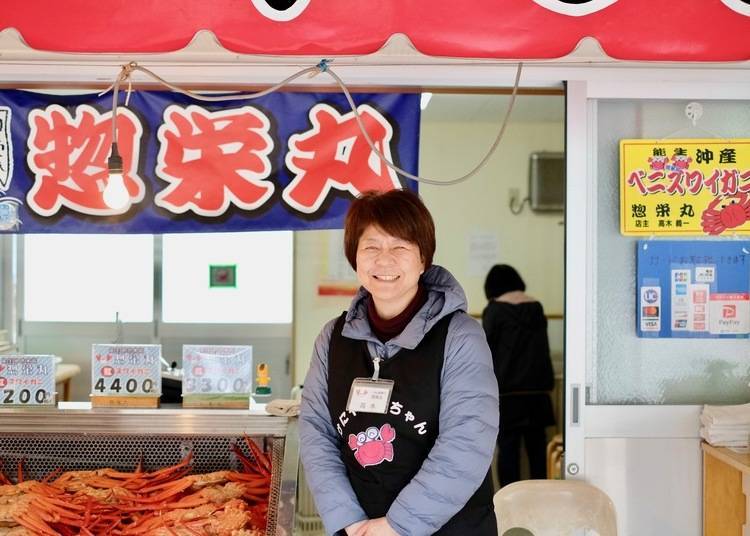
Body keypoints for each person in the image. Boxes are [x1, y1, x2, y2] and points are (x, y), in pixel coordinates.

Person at [299, 189, 499, 536]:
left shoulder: (460, 336)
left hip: (450, 528)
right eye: (371, 247)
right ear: (355, 258)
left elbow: (467, 443)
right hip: (360, 528)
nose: (384, 260)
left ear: (423, 259)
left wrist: (395, 526)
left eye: (400, 247)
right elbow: (316, 433)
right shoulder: (332, 339)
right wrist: (348, 520)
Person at [482, 264, 555, 487]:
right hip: (538, 392)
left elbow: (486, 351)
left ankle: (510, 501)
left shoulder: (494, 310)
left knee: (508, 450)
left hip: (507, 394)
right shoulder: (536, 307)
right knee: (538, 450)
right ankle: (542, 499)